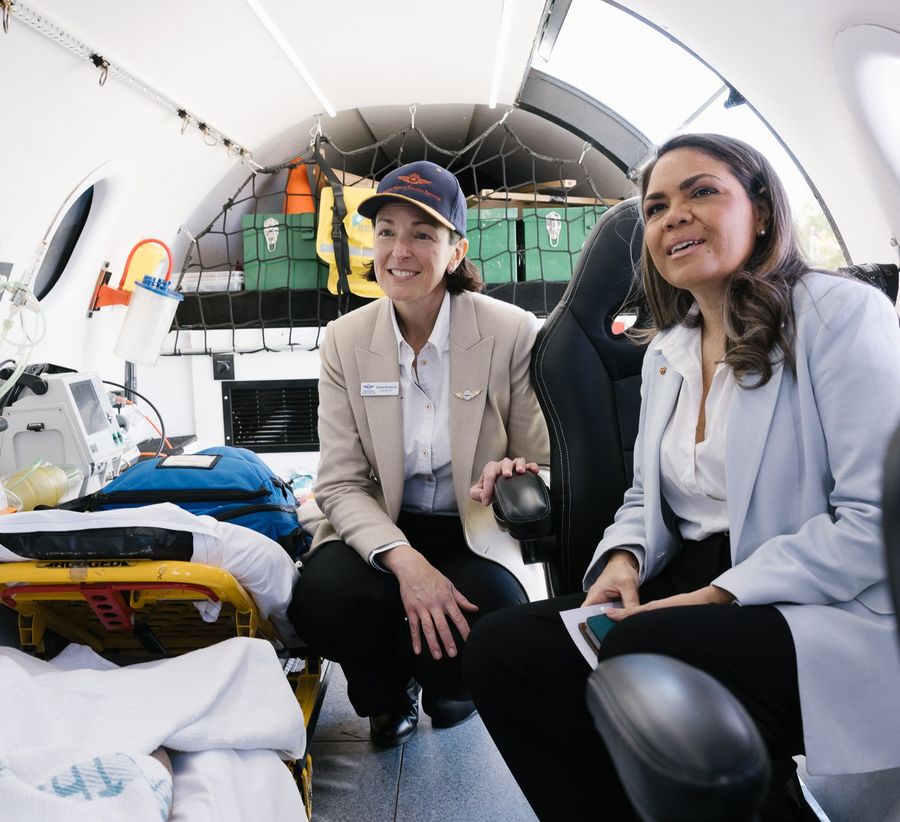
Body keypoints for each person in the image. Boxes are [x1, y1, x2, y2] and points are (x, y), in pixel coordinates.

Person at [463, 133, 900, 820]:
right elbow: (647, 495)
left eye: (702, 192)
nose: (675, 217)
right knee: (502, 649)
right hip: (689, 580)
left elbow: (876, 520)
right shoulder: (667, 350)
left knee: (645, 648)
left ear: (761, 212)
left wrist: (719, 596)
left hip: (820, 601)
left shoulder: (837, 315)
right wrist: (624, 559)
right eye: (657, 207)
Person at [289, 160, 550, 747]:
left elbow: (542, 460)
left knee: (495, 625)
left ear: (456, 252)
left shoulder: (511, 332)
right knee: (324, 600)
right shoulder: (345, 340)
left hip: (470, 525)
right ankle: (386, 692)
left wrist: (516, 471)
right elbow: (339, 483)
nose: (399, 251)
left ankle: (449, 684)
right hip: (380, 522)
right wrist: (407, 563)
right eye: (386, 231)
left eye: (422, 234)